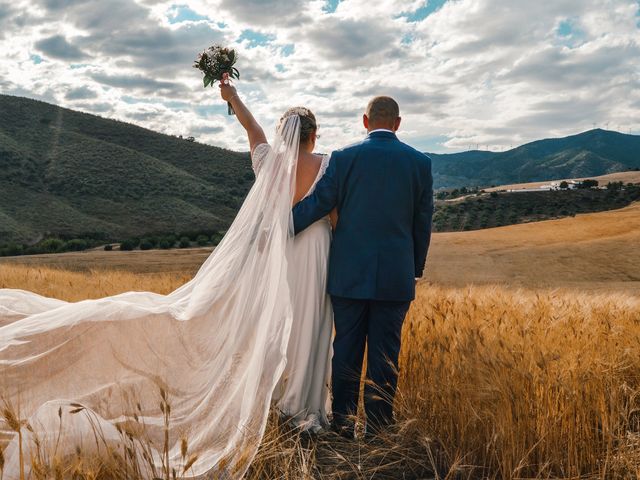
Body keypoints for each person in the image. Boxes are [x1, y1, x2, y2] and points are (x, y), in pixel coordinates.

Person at [292, 96, 434, 438]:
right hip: (395, 279)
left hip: (348, 276)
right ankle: (379, 431)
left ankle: (342, 424)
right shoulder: (420, 163)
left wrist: (280, 225)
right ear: (398, 123)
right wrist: (414, 267)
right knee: (386, 356)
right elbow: (422, 222)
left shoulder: (345, 157)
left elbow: (319, 203)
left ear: (365, 121)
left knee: (346, 352)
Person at [218, 80, 334, 433]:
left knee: (277, 322)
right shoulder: (328, 164)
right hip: (316, 248)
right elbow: (336, 216)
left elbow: (251, 128)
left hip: (278, 253)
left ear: (283, 135)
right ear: (313, 136)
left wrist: (232, 96)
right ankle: (307, 405)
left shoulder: (268, 164)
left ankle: (277, 400)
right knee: (311, 325)